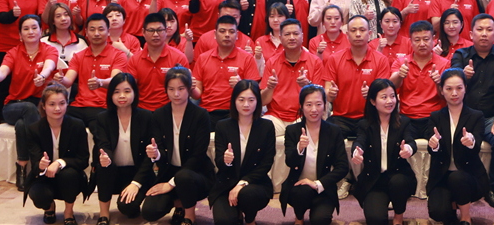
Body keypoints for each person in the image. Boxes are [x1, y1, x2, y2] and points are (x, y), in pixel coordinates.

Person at [0, 14, 58, 189]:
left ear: (41, 31)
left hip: (38, 105)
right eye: (26, 29)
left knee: (21, 125)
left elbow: (49, 66)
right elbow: (4, 70)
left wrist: (42, 76)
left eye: (34, 27)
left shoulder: (50, 50)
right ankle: (39, 163)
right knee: (27, 109)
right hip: (13, 105)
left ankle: (22, 169)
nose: (30, 31)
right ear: (20, 34)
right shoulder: (13, 52)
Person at [139, 65, 215, 225]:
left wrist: (171, 183)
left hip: (195, 173)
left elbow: (198, 155)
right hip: (169, 171)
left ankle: (189, 215)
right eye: (171, 89)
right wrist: (156, 154)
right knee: (149, 211)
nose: (176, 94)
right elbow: (161, 150)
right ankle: (179, 203)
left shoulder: (201, 115)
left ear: (189, 88)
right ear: (166, 90)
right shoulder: (159, 114)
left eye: (181, 89)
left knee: (183, 177)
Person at [449, 13, 494, 207]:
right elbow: (452, 86)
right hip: (464, 116)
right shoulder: (460, 55)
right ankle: (457, 189)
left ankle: (491, 188)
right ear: (471, 34)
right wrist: (462, 76)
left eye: (489, 30)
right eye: (480, 29)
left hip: (489, 117)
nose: (484, 34)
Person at [425, 69, 490, 225]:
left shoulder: (476, 116)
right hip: (442, 176)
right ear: (442, 90)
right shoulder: (435, 117)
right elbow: (432, 149)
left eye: (459, 88)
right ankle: (453, 204)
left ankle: (466, 217)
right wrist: (434, 146)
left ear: (465, 88)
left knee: (457, 178)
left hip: (469, 176)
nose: (454, 93)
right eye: (449, 89)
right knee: (438, 212)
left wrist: (471, 141)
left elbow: (476, 146)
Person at [350, 79, 418, 225]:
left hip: (399, 176)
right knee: (376, 220)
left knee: (398, 182)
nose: (389, 101)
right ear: (373, 101)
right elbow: (359, 141)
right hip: (374, 180)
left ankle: (398, 218)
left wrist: (409, 148)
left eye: (392, 96)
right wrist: (356, 152)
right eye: (384, 97)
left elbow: (411, 141)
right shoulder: (364, 125)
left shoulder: (403, 122)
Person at [280, 84, 349, 225]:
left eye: (318, 104)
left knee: (321, 220)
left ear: (325, 105)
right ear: (301, 106)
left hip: (323, 187)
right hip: (298, 188)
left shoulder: (334, 131)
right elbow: (290, 162)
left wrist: (317, 184)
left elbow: (342, 167)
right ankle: (299, 217)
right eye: (309, 104)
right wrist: (299, 148)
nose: (314, 109)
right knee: (302, 192)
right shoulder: (293, 130)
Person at [91, 73, 155, 224]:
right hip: (113, 172)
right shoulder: (103, 118)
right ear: (110, 95)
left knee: (128, 208)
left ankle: (133, 201)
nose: (122, 96)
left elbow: (149, 156)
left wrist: (136, 183)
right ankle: (104, 214)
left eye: (127, 91)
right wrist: (105, 158)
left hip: (137, 173)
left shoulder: (146, 117)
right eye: (116, 91)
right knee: (104, 166)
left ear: (135, 93)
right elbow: (103, 145)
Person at [208, 80, 274, 225]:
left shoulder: (266, 126)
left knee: (248, 195)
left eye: (251, 100)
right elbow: (219, 162)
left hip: (255, 183)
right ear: (234, 101)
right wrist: (225, 160)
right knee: (224, 221)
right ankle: (236, 213)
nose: (246, 104)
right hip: (227, 183)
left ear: (258, 101)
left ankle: (250, 219)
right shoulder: (222, 126)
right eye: (241, 99)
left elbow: (266, 163)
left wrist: (242, 184)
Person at [22, 82, 89, 225]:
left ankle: (68, 212)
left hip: (69, 177)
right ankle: (49, 207)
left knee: (69, 174)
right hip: (44, 177)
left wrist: (59, 162)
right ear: (43, 106)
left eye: (62, 103)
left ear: (67, 104)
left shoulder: (77, 125)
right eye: (52, 104)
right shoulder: (34, 129)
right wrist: (41, 165)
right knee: (38, 194)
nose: (57, 108)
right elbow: (35, 163)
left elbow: (83, 159)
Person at [322, 15, 391, 138]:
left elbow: (384, 95)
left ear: (369, 34)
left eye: (362, 30)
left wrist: (372, 94)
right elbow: (327, 94)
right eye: (353, 31)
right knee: (327, 132)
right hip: (341, 118)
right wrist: (331, 93)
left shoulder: (381, 60)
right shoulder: (334, 59)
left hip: (370, 118)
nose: (358, 34)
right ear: (347, 35)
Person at [58, 12, 127, 130]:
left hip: (104, 107)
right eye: (92, 29)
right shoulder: (78, 56)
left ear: (108, 31)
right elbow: (68, 81)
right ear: (86, 32)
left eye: (101, 29)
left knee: (100, 129)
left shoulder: (118, 55)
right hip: (79, 105)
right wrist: (61, 79)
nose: (96, 33)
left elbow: (116, 81)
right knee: (60, 121)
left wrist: (100, 82)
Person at [192, 15, 261, 124]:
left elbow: (254, 92)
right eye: (222, 31)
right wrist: (191, 87)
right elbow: (197, 94)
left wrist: (241, 85)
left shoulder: (247, 58)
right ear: (215, 35)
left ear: (237, 35)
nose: (227, 35)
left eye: (231, 32)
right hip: (208, 111)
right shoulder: (203, 58)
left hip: (236, 112)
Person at [389, 20, 449, 138]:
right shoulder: (401, 62)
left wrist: (439, 83)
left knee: (438, 145)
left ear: (433, 39)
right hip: (407, 116)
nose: (422, 44)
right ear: (410, 41)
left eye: (426, 39)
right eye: (417, 40)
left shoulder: (444, 64)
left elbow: (446, 96)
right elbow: (390, 87)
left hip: (434, 117)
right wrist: (399, 75)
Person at [125, 13, 190, 111]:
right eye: (151, 30)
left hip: (170, 110)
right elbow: (130, 88)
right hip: (141, 110)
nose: (155, 34)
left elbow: (185, 90)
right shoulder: (135, 59)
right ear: (143, 32)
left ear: (166, 31)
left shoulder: (179, 57)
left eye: (159, 30)